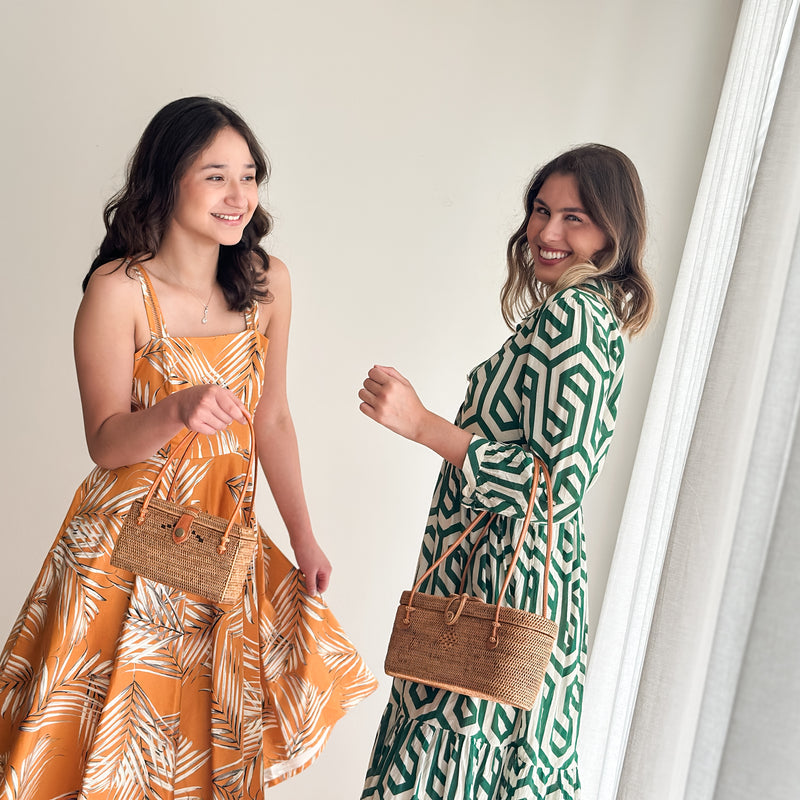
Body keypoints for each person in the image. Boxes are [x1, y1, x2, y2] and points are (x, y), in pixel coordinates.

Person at [0, 96, 376, 798]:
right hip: (124, 548)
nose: (238, 196)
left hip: (213, 548)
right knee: (97, 755)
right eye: (215, 176)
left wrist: (305, 537)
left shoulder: (268, 284)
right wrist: (175, 408)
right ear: (167, 178)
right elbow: (106, 443)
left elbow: (274, 422)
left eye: (249, 175)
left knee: (194, 753)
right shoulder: (119, 292)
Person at [358, 144, 654, 799]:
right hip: (499, 583)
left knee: (452, 764)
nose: (547, 233)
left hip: (503, 592)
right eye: (541, 211)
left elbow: (557, 488)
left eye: (574, 218)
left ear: (613, 232)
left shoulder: (574, 317)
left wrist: (421, 424)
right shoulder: (567, 314)